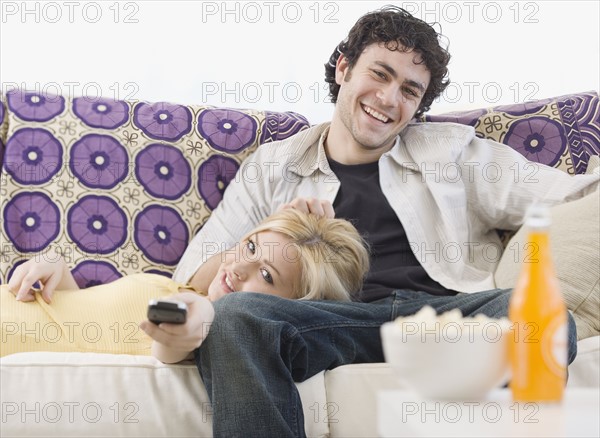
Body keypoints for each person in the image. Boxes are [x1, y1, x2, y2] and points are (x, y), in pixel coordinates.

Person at [161, 6, 596, 437]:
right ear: (344, 69)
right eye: (380, 74)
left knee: (546, 321)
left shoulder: (452, 153)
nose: (389, 99)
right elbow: (195, 275)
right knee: (237, 317)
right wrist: (274, 225)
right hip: (327, 323)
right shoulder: (276, 165)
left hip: (442, 320)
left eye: (410, 90)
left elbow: (574, 193)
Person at [1, 209, 370, 362]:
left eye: (267, 275)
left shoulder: (207, 321)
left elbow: (175, 341)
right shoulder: (183, 290)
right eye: (251, 246)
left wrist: (190, 328)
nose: (238, 266)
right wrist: (58, 272)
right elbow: (84, 326)